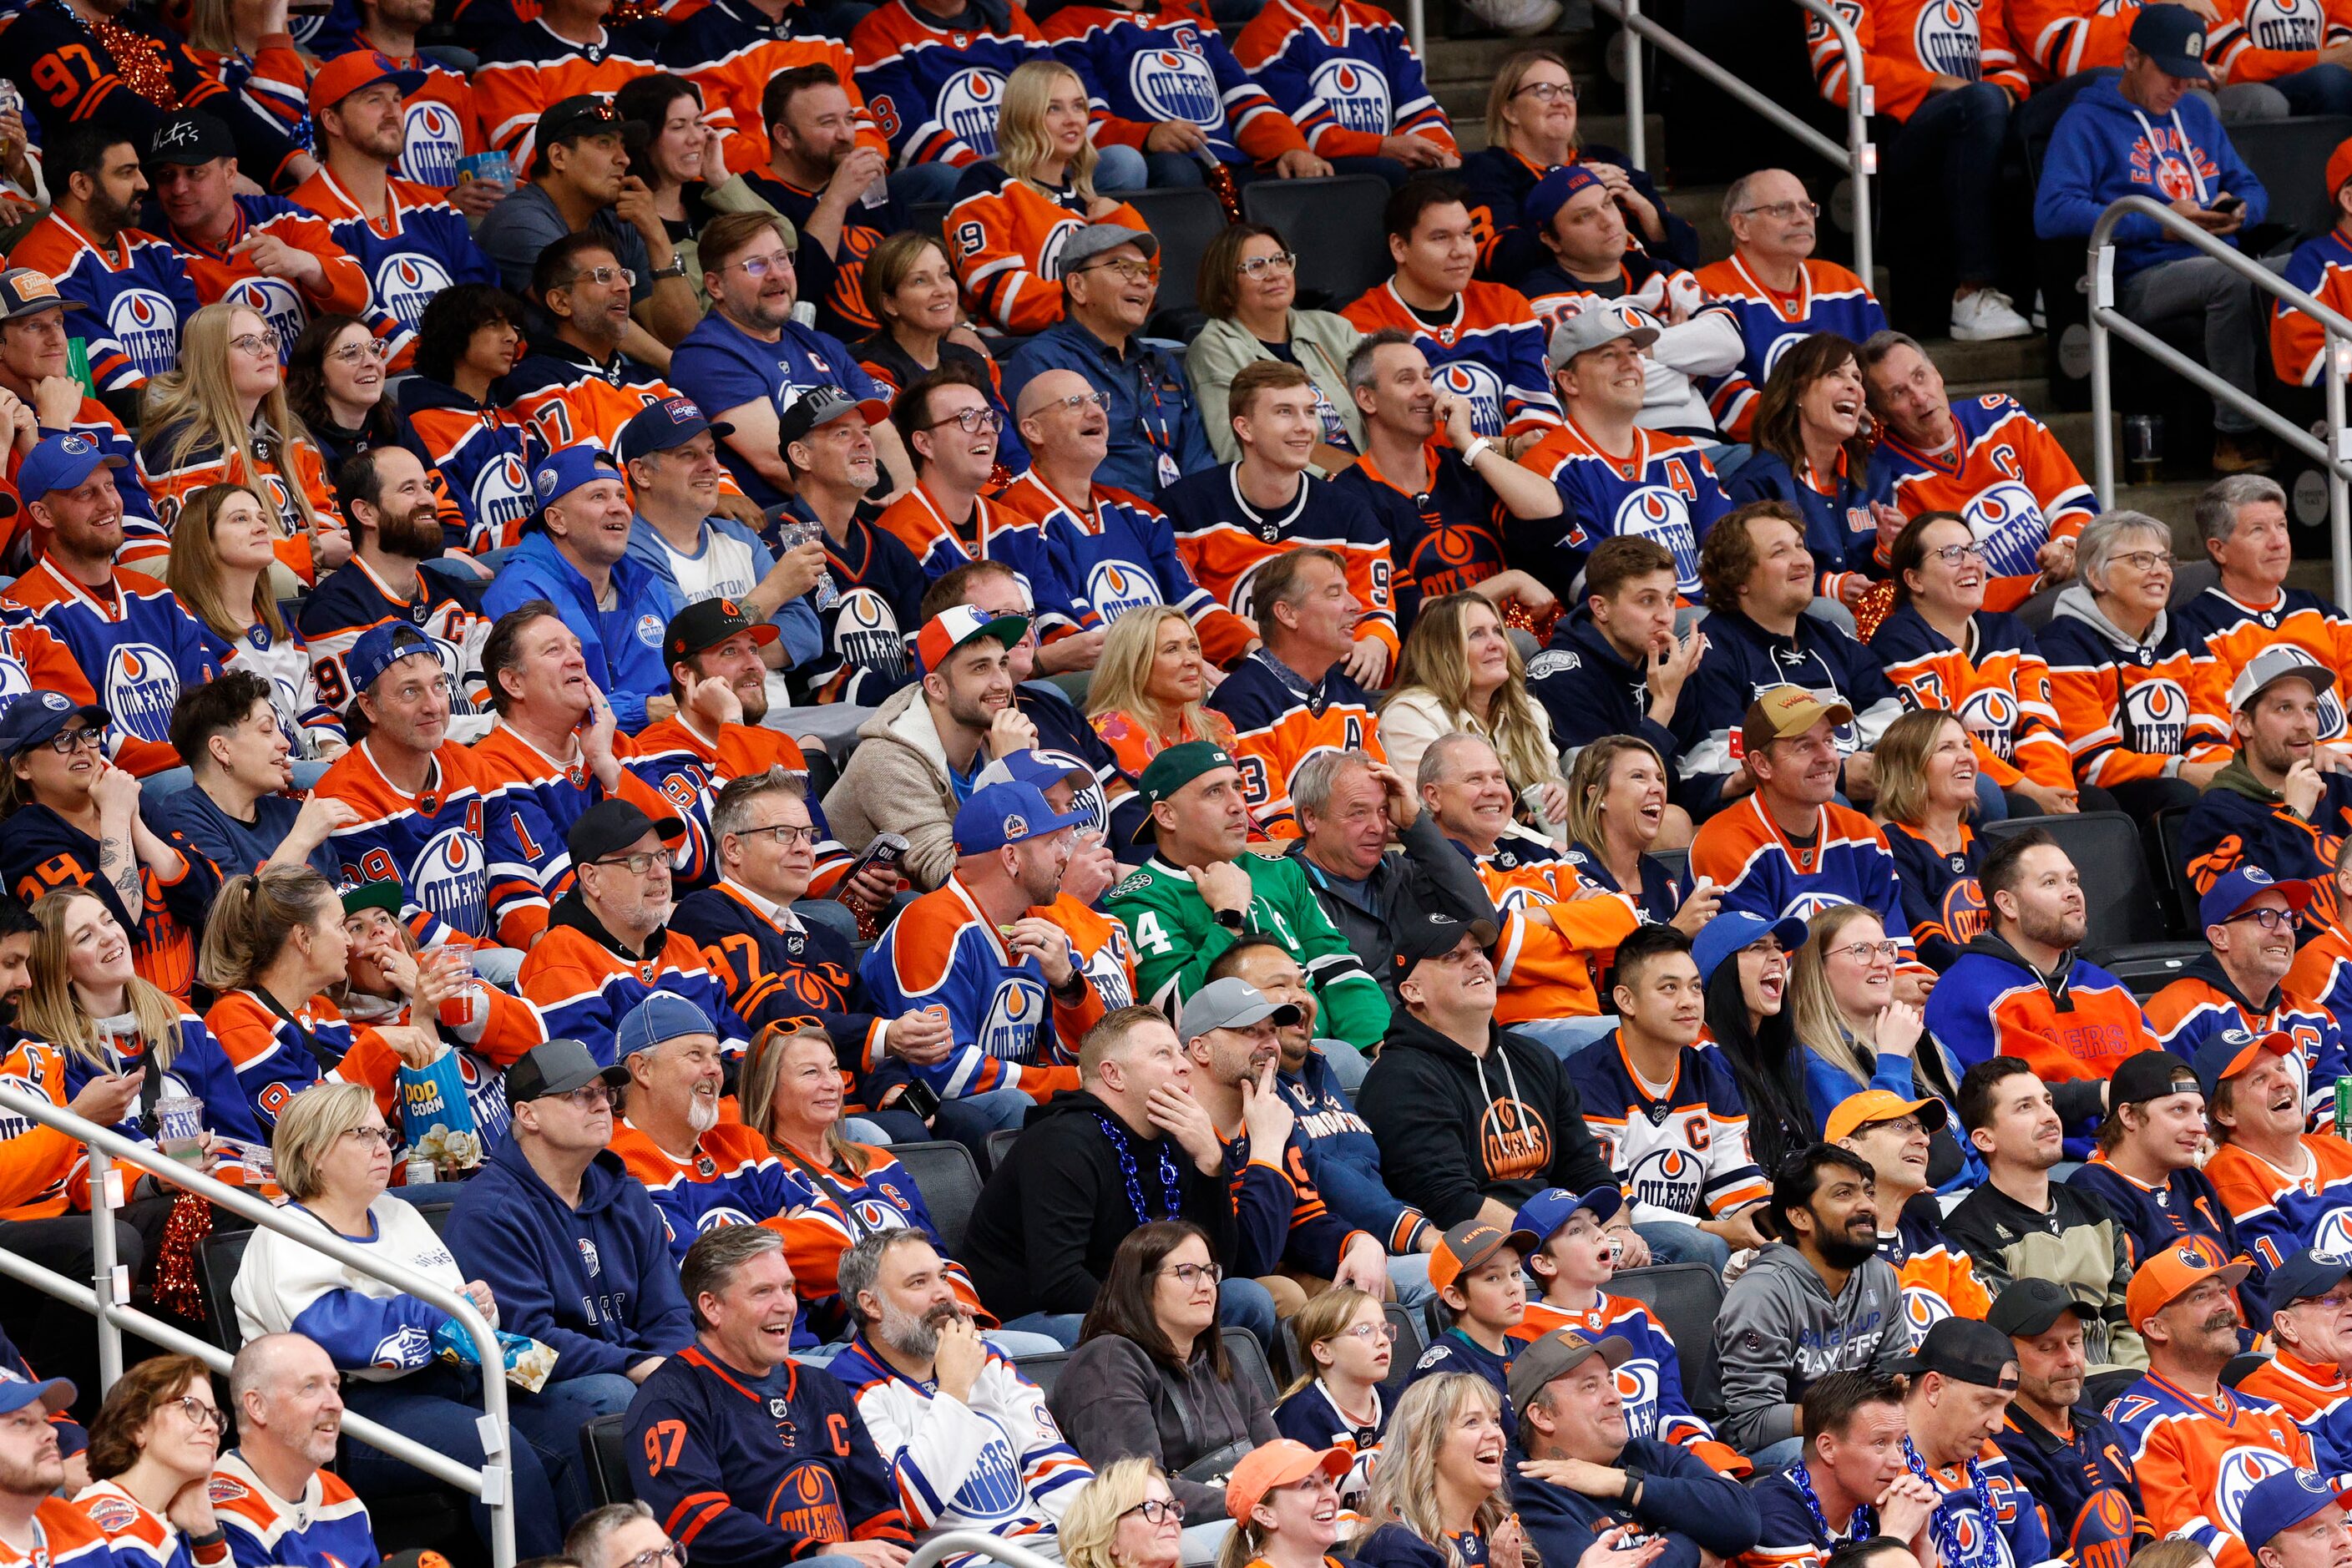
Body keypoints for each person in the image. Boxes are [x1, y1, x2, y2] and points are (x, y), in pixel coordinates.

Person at [230, 1082, 584, 1558]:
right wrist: (443, 1314)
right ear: (313, 1152)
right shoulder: (284, 1233)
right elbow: (336, 1335)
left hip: (448, 1383)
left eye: (383, 1134)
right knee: (500, 1452)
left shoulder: (397, 1211)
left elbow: (454, 1306)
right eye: (362, 1135)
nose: (383, 1147)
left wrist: (478, 1305)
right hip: (353, 1409)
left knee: (576, 1425)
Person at [2035, 4, 2274, 474]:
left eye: (2189, 75)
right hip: (2142, 276)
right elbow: (2052, 212)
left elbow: (2253, 187)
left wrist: (2241, 213)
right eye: (2169, 73)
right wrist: (2158, 222)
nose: (2181, 87)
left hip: (2219, 254)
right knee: (2232, 279)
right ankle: (2235, 436)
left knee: (2307, 268)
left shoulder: (2196, 117)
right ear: (2131, 59)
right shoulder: (2086, 121)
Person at [621, 1225, 917, 1568]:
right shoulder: (671, 1400)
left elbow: (877, 1511)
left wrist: (894, 1556)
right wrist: (817, 1552)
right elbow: (697, 1526)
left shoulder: (824, 1388)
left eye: (788, 1288)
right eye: (763, 1292)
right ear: (711, 1307)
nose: (786, 1306)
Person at [963, 1004, 1255, 1343]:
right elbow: (1060, 1282)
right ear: (1114, 1075)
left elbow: (1219, 1267)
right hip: (1041, 1317)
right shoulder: (1061, 1144)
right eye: (1163, 1054)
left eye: (1180, 1052)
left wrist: (1209, 1163)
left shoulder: (1176, 1138)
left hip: (1144, 1301)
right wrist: (1154, 1320)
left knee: (1247, 1300)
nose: (1185, 1065)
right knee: (1104, 1336)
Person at [1358, 911, 1636, 1241]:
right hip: (1483, 1256)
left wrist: (1615, 1228)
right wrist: (1553, 1241)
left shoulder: (1535, 1058)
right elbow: (1448, 1202)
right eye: (1453, 956)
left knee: (1686, 1246)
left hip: (1565, 1238)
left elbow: (1587, 1168)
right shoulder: (1400, 1079)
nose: (1477, 962)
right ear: (1413, 992)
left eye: (1478, 950)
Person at [443, 1038, 695, 1398]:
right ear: (528, 1116)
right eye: (579, 1094)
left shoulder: (628, 1196)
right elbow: (527, 1346)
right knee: (614, 1395)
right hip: (535, 1394)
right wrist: (634, 1366)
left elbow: (669, 1313)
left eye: (604, 1093)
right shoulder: (488, 1212)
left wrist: (671, 1368)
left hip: (633, 1372)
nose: (601, 1106)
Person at [857, 777, 1103, 1145]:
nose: (1063, 856)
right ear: (1011, 858)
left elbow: (1091, 1053)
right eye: (1051, 843)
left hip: (999, 1098)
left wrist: (1068, 986)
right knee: (1016, 1104)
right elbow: (946, 1070)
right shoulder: (932, 924)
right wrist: (1071, 1082)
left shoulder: (1041, 923)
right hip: (923, 1109)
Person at [670, 769, 937, 1098]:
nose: (804, 849)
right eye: (783, 834)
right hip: (773, 1112)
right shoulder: (705, 914)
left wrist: (891, 1089)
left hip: (845, 1104)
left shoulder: (828, 939)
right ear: (733, 848)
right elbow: (772, 1018)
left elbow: (868, 1023)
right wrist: (884, 1036)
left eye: (808, 835)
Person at [1105, 741, 1388, 1047]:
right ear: (1166, 815)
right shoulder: (1140, 900)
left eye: (1236, 787)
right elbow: (1179, 1016)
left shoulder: (1279, 870)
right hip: (1242, 1067)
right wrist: (1228, 914)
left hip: (1329, 1054)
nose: (1238, 805)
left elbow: (1337, 966)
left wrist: (1378, 1045)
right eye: (1214, 792)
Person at [828, 1230, 1091, 1556]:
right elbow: (913, 1507)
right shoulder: (846, 1389)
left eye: (942, 1277)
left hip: (1051, 1547)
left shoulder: (987, 1357)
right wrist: (954, 1389)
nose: (943, 1294)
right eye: (918, 1283)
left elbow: (1052, 1462)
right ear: (871, 1304)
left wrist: (1106, 1531)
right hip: (966, 1560)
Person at [470, 601, 714, 947]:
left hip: (660, 925)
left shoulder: (615, 746)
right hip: (582, 950)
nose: (577, 659)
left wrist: (607, 766)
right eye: (554, 650)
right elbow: (559, 894)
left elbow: (691, 857)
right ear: (513, 682)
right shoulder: (490, 767)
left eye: (577, 648)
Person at [1160, 362, 1401, 687]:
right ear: (1245, 428)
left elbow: (1374, 606)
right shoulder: (1185, 506)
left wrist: (1376, 640)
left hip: (1328, 682)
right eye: (1285, 412)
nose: (1305, 426)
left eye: (1309, 412)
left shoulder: (1349, 511)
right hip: (1221, 682)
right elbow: (1177, 605)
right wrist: (1250, 643)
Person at [1211, 938, 1432, 1290]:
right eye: (1279, 985)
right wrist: (1419, 1235)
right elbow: (1326, 1182)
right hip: (1322, 1252)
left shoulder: (1324, 1066)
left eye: (1302, 984)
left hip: (1376, 1237)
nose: (1300, 995)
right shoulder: (1254, 1090)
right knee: (1438, 1277)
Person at [1924, 831, 2162, 1150]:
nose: (2073, 893)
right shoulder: (1965, 993)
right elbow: (1989, 1106)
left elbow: (2161, 1076)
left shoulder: (2108, 986)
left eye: (2074, 880)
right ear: (2007, 904)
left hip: (2140, 1158)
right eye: (2051, 883)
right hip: (2055, 1168)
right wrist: (2099, 1096)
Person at [669, 212, 913, 516]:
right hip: (784, 527)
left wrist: (906, 500)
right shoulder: (706, 355)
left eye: (782, 259)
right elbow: (777, 462)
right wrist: (866, 514)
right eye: (756, 265)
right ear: (716, 285)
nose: (776, 274)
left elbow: (880, 431)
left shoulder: (820, 343)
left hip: (854, 512)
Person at [1415, 730, 1643, 1048]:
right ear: (1433, 796)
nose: (1493, 790)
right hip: (1512, 1033)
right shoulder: (1435, 870)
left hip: (1592, 1021)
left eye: (1498, 778)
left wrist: (1539, 918)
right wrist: (1582, 946)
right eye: (1475, 780)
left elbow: (1626, 922)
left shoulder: (1538, 855)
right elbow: (1496, 947)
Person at [1051, 1220, 1281, 1535]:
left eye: (1210, 1272)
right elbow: (1137, 1493)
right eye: (1187, 1272)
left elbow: (1277, 1460)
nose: (1206, 1286)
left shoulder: (1222, 1360)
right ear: (1141, 1286)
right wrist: (1252, 1505)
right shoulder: (1107, 1362)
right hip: (1166, 1532)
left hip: (1243, 1516)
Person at [1565, 924, 1770, 1272]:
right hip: (1610, 1239)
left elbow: (1738, 1190)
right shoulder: (1587, 1081)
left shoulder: (1712, 1078)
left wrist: (1767, 1224)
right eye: (1669, 988)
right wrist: (1711, 1229)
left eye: (1694, 987)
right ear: (1626, 1000)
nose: (1689, 1001)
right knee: (1699, 1246)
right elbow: (1610, 1201)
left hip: (1698, 1235)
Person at [307, 622, 520, 953]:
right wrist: (494, 956)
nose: (433, 706)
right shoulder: (344, 796)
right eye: (410, 691)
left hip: (491, 955)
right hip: (411, 971)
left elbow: (513, 878)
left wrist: (537, 942)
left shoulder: (473, 768)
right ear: (368, 706)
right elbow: (398, 919)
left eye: (439, 686)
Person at [1336, 329, 1563, 633]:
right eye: (1407, 379)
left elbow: (1555, 517)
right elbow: (1409, 616)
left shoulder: (1463, 464)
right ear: (1367, 398)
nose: (1427, 392)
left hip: (1516, 638)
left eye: (1428, 378)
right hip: (1441, 658)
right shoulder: (1350, 497)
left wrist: (1468, 443)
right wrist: (1510, 582)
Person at [1682, 505, 1908, 807]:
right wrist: (1834, 777)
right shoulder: (1710, 652)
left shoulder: (1835, 638)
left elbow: (1893, 727)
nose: (1801, 560)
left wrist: (1886, 770)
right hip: (1766, 809)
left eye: (1800, 546)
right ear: (1739, 579)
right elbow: (1728, 766)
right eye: (1780, 552)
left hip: (1861, 792)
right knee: (1829, 802)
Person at [1180, 975, 1386, 1307]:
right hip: (1207, 1285)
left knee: (1367, 1283)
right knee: (1276, 1295)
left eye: (1272, 1031)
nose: (1270, 1044)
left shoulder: (1270, 1116)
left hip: (1263, 1265)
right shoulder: (1179, 1130)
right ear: (1201, 1049)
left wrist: (1357, 1243)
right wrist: (1266, 1149)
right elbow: (1246, 1260)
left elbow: (1305, 1219)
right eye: (1249, 1031)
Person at [139, 109, 391, 381]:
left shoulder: (282, 217)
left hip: (318, 390)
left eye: (194, 173)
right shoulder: (153, 250)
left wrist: (304, 264)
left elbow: (363, 297)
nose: (178, 188)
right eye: (166, 175)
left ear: (230, 172)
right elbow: (201, 357)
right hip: (243, 402)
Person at [2105, 1243, 2313, 1568]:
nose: (2226, 1305)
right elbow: (2187, 1544)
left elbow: (2319, 1510)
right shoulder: (2137, 1421)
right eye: (2201, 1297)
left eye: (2223, 1291)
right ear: (2157, 1328)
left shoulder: (2269, 1413)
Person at [290, 53, 499, 369]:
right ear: (332, 120)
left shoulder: (435, 206)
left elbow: (482, 296)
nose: (393, 113)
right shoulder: (302, 215)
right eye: (374, 100)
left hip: (463, 375)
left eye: (397, 100)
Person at [1686, 685, 1914, 974]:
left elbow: (1897, 947)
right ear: (1762, 764)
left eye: (1829, 741)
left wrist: (1904, 983)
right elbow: (1765, 976)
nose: (1827, 757)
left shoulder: (1864, 836)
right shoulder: (1725, 843)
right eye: (1804, 746)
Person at [0, 694, 213, 1002]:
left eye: (87, 733)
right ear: (22, 768)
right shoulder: (23, 838)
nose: (82, 747)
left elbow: (209, 899)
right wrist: (115, 815)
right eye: (61, 738)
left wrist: (134, 822)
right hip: (104, 1015)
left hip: (195, 1001)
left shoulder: (130, 799)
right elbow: (109, 927)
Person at [1511, 309, 1732, 603]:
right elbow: (1601, 584)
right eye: (1609, 355)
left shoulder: (1683, 452)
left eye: (1633, 352)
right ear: (1569, 381)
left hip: (1712, 620)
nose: (1630, 364)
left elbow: (1727, 549)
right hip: (1631, 636)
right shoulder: (1545, 469)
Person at [1869, 512, 2078, 817]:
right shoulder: (1898, 640)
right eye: (1951, 554)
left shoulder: (2011, 631)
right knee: (2005, 803)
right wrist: (2031, 792)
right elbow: (1942, 744)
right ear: (1914, 579)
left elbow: (2040, 723)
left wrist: (2056, 793)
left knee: (2097, 804)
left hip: (2025, 786)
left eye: (1974, 549)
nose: (1971, 563)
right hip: (1945, 790)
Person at [1862, 331, 2097, 602]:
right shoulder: (1885, 479)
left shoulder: (2002, 416)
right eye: (1898, 393)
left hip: (2066, 584)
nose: (1920, 397)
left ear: (1937, 373)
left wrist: (2065, 547)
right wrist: (2033, 587)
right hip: (1993, 620)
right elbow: (1936, 594)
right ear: (1881, 415)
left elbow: (2075, 504)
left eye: (1920, 377)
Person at [1512, 1185, 1737, 1467]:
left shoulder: (1638, 1316)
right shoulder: (1519, 1331)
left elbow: (1672, 1412)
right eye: (1576, 1231)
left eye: (1596, 1224)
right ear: (1543, 1263)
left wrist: (1712, 1469)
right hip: (1578, 1487)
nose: (1598, 1235)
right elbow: (1524, 1440)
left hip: (1658, 1475)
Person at [1944, 1058, 2143, 1370]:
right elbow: (2016, 1344)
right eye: (2025, 1107)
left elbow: (2127, 1315)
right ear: (1985, 1139)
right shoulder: (1967, 1232)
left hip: (2124, 1385)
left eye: (2047, 1102)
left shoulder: (2095, 1209)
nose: (2049, 1116)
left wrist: (2137, 1385)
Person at [820, 602, 1032, 893]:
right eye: (981, 668)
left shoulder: (1000, 738)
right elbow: (950, 878)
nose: (1001, 683)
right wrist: (1011, 775)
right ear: (936, 687)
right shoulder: (887, 760)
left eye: (1003, 664)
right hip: (873, 921)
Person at [1509, 1323, 1761, 1568]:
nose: (1616, 1397)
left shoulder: (1647, 1454)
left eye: (1611, 1382)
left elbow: (1745, 1523)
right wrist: (1692, 1550)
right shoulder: (1527, 1496)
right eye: (1590, 1386)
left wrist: (1623, 1483)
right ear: (1542, 1416)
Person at [1715, 1143, 1908, 1462]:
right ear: (1799, 1216)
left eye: (1868, 1192)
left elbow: (1893, 1378)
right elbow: (1755, 1423)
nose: (1868, 1206)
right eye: (1844, 1194)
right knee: (1822, 1457)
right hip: (1756, 1456)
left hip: (1852, 1435)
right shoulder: (1763, 1293)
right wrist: (1855, 1420)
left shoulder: (1879, 1276)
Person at [517, 802, 749, 1065]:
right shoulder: (557, 959)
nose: (661, 872)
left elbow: (739, 1053)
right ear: (592, 879)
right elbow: (603, 1089)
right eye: (639, 861)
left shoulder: (683, 947)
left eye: (662, 856)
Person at [2038, 508, 2231, 818]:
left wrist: (2219, 775)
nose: (2160, 571)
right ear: (2096, 576)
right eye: (2141, 559)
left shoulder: (2185, 636)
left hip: (2178, 783)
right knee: (2179, 796)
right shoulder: (2063, 646)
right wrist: (2181, 770)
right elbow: (2090, 762)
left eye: (2164, 559)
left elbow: (2209, 734)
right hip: (2107, 797)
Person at [481, 445, 688, 732]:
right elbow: (542, 707)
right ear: (557, 520)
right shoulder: (520, 592)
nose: (618, 507)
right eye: (598, 497)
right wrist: (645, 711)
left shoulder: (645, 583)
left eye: (620, 495)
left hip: (665, 746)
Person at [134, 301, 341, 584]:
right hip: (232, 597)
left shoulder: (290, 432)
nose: (267, 351)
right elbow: (207, 550)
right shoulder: (185, 443)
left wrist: (332, 544)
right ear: (211, 358)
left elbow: (325, 514)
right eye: (248, 343)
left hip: (305, 582)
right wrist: (311, 552)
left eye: (269, 340)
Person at [1005, 225, 1213, 498]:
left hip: (1184, 523)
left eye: (1146, 272)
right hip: (1106, 525)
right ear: (1078, 287)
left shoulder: (1161, 363)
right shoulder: (1044, 362)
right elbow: (1056, 466)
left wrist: (1201, 516)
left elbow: (1198, 457)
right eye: (1123, 268)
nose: (1141, 282)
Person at [1341, 180, 1556, 444]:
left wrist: (1519, 450)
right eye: (1441, 238)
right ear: (1399, 247)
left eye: (1467, 234)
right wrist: (1503, 449)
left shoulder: (1507, 305)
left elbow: (1538, 408)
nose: (1462, 251)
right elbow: (1392, 432)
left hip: (1517, 471)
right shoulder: (1360, 325)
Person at [941, 61, 1145, 336]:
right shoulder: (987, 184)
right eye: (1054, 108)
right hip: (1018, 349)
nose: (1073, 119)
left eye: (1078, 106)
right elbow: (1003, 295)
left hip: (1090, 347)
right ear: (1024, 116)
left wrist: (1122, 220)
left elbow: (1143, 292)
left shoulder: (1090, 202)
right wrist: (1096, 305)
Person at [1457, 48, 1691, 287]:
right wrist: (1573, 188)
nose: (1561, 101)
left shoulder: (1607, 159)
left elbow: (1686, 253)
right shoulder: (1487, 170)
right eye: (1544, 91)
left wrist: (1643, 207)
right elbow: (1500, 261)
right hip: (1553, 304)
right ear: (1509, 111)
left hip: (1649, 296)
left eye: (1567, 90)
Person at [620, 398, 825, 663]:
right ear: (643, 473)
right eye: (689, 454)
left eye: (711, 451)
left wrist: (721, 650)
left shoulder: (740, 536)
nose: (711, 466)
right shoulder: (630, 554)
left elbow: (808, 636)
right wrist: (774, 591)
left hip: (781, 705)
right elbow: (686, 653)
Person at [1203, 546, 1388, 838]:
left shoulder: (1350, 694)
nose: (1355, 605)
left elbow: (1385, 803)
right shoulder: (1240, 703)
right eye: (1334, 593)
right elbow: (1269, 831)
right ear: (1287, 614)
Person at [1692, 169, 1888, 442]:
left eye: (1807, 208)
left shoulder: (1845, 285)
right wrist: (1815, 427)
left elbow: (1884, 372)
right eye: (1782, 209)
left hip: (1850, 444)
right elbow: (1719, 393)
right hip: (1759, 456)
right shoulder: (1706, 290)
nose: (1801, 218)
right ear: (1741, 226)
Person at [6, 124, 200, 394]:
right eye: (127, 173)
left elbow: (201, 347)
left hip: (174, 419)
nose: (143, 184)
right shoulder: (41, 260)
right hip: (105, 428)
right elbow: (109, 377)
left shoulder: (157, 251)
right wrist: (188, 415)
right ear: (82, 185)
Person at [1290, 747, 1493, 1002]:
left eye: (1383, 811)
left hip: (1447, 1026)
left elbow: (1483, 924)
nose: (1377, 827)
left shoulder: (1400, 870)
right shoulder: (1289, 886)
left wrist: (1415, 824)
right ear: (1311, 818)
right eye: (1358, 813)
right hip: (1371, 1036)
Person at [2147, 867, 2345, 1117]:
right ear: (2220, 937)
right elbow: (2167, 1124)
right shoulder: (2177, 1012)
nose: (2284, 931)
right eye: (2265, 916)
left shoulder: (2316, 1019)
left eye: (2287, 917)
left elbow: (2336, 1116)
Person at [168, 483, 343, 763]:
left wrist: (332, 749)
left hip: (303, 771)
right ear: (205, 541)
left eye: (262, 518)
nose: (261, 527)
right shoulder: (190, 630)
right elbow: (217, 734)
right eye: (240, 519)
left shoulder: (279, 623)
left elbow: (312, 707)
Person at [1985, 1277, 2152, 1568]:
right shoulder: (1998, 1449)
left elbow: (2140, 1528)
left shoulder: (2099, 1428)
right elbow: (2045, 1557)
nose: (2069, 1359)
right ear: (2005, 1359)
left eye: (2075, 1342)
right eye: (2047, 1348)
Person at [2177, 477, 2352, 747]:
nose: (2278, 542)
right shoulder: (2195, 628)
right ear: (2218, 549)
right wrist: (2312, 758)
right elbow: (2225, 734)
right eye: (2258, 530)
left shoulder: (2322, 613)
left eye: (2281, 526)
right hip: (2277, 776)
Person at [731, 66, 898, 342]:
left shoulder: (871, 186)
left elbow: (920, 263)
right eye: (828, 123)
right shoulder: (754, 198)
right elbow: (800, 289)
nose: (846, 135)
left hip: (900, 347)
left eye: (849, 119)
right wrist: (837, 198)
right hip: (824, 356)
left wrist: (960, 328)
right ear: (784, 135)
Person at [0, 267, 153, 567]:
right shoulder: (6, 419)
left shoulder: (95, 414)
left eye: (58, 322)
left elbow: (138, 520)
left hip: (123, 569)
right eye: (34, 326)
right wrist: (54, 433)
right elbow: (26, 557)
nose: (56, 338)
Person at [1724, 334, 1890, 606]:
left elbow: (1881, 578)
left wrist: (1890, 551)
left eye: (1857, 378)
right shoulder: (1757, 482)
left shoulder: (1876, 475)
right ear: (1798, 392)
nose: (1853, 387)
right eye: (1836, 374)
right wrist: (1830, 586)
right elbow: (1745, 576)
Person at [1187, 223, 1364, 468]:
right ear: (1225, 285)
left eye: (1280, 260)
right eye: (1256, 266)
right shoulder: (1215, 349)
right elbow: (1236, 450)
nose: (1275, 273)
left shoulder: (1335, 328)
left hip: (1374, 478)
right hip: (1302, 489)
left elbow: (1385, 404)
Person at [2182, 649, 2352, 899]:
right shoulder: (2214, 815)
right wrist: (2293, 816)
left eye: (2311, 709)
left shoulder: (2341, 790)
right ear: (2244, 723)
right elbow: (2239, 908)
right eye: (2285, 708)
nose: (2304, 723)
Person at [848, 0, 1055, 206]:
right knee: (941, 177)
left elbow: (1054, 98)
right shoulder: (878, 30)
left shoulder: (1012, 18)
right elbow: (908, 132)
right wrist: (994, 174)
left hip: (1022, 168)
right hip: (949, 189)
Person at [610, 76, 782, 313]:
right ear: (643, 139)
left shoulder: (710, 198)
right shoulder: (628, 220)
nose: (696, 138)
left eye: (699, 123)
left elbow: (785, 240)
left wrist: (719, 177)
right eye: (678, 127)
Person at [1377, 592, 1565, 808]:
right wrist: (1536, 839)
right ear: (1443, 653)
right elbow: (1436, 813)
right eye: (1476, 634)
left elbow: (1554, 781)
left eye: (1497, 631)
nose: (1496, 643)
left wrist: (1562, 796)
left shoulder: (1528, 710)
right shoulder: (1412, 715)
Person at [149, 673, 345, 879]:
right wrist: (301, 839)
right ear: (222, 749)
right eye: (267, 730)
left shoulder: (294, 814)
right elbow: (237, 908)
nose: (285, 744)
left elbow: (339, 901)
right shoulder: (183, 819)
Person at [210, 1334, 380, 1568]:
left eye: (334, 1385)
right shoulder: (224, 1514)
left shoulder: (342, 1498)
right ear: (257, 1406)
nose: (336, 1404)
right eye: (310, 1387)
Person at [1828, 1090, 1989, 1335]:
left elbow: (1988, 1337)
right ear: (1848, 1149)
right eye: (1900, 1126)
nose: (1923, 1141)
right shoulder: (1811, 1251)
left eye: (1922, 1129)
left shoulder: (1939, 1249)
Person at [1230, 0, 1456, 173]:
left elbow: (1419, 108)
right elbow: (1310, 135)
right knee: (1390, 172)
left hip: (1386, 169)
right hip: (1327, 179)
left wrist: (1441, 152)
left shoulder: (1381, 25)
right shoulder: (1263, 36)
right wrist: (1382, 147)